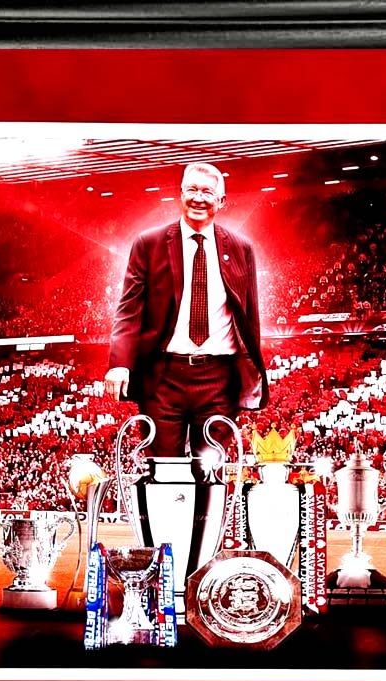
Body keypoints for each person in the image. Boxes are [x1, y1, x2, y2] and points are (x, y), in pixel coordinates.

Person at [104, 162, 268, 459]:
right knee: (162, 469)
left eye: (207, 192)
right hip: (163, 377)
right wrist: (119, 364)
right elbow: (129, 308)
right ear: (180, 194)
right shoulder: (149, 243)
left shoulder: (241, 248)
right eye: (191, 189)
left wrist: (250, 369)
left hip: (219, 378)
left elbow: (248, 316)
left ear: (221, 201)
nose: (198, 198)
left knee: (210, 470)